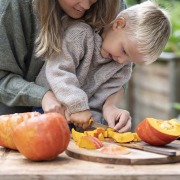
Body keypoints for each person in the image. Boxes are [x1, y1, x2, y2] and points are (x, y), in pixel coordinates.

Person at [35, 0, 171, 132]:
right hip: (48, 110)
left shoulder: (123, 65)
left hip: (82, 120)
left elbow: (102, 98)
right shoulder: (80, 35)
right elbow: (58, 72)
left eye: (131, 60)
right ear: (118, 24)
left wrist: (101, 116)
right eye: (124, 51)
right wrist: (78, 106)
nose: (122, 61)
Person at [0, 0, 128, 117]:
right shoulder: (13, 5)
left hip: (82, 121)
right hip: (12, 118)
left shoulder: (114, 5)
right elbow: (2, 78)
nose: (86, 5)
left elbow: (124, 66)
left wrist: (110, 105)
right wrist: (43, 96)